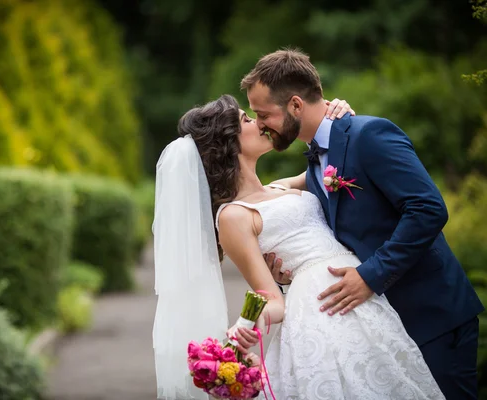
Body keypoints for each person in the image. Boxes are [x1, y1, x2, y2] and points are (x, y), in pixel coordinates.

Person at [152, 94, 445, 399]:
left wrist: (336, 117)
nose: (260, 122)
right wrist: (253, 320)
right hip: (319, 306)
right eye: (247, 120)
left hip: (360, 287)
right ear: (228, 144)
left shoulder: (283, 185)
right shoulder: (233, 216)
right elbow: (271, 296)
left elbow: (337, 158)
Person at [235, 48, 484, 399]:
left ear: (294, 105)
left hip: (431, 315)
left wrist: (371, 276)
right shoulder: (316, 163)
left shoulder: (369, 135)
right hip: (381, 327)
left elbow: (428, 208)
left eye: (263, 114)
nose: (259, 124)